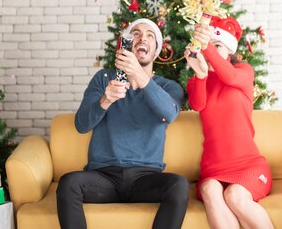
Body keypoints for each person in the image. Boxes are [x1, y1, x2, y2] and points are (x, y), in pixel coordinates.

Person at [56, 18, 189, 229]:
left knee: (179, 185)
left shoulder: (167, 87)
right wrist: (105, 100)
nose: (142, 38)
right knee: (69, 183)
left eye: (149, 35)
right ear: (126, 44)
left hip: (145, 178)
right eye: (136, 33)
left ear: (156, 51)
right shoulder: (104, 79)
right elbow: (81, 125)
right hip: (103, 177)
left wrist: (138, 74)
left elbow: (169, 114)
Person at [184, 16, 274, 229]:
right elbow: (197, 104)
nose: (211, 51)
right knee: (209, 190)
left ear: (229, 51)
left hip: (248, 165)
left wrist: (206, 47)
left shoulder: (243, 72)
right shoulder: (198, 80)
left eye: (217, 46)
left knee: (235, 195)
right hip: (213, 169)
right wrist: (200, 75)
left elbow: (230, 77)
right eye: (209, 46)